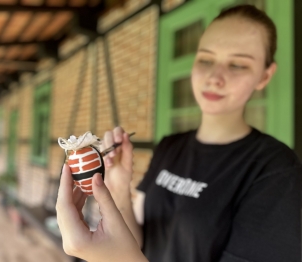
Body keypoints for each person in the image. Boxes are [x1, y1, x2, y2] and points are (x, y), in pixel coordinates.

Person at [56, 5, 302, 262]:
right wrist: (118, 187)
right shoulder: (170, 147)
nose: (215, 77)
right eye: (206, 59)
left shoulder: (276, 171)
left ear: (265, 75)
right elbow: (139, 239)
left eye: (238, 64)